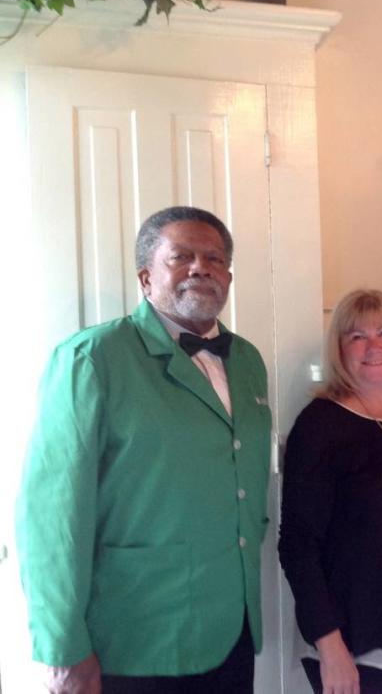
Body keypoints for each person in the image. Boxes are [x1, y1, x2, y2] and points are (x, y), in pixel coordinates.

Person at [16, 206, 272, 693]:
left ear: (229, 277)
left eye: (214, 259)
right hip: (134, 636)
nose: (201, 267)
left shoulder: (248, 360)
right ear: (145, 276)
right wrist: (61, 649)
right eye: (182, 256)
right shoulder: (92, 358)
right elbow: (50, 519)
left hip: (230, 630)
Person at [278, 289, 382, 694]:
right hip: (351, 643)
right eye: (356, 336)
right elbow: (297, 545)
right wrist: (330, 647)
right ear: (339, 349)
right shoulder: (320, 425)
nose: (373, 346)